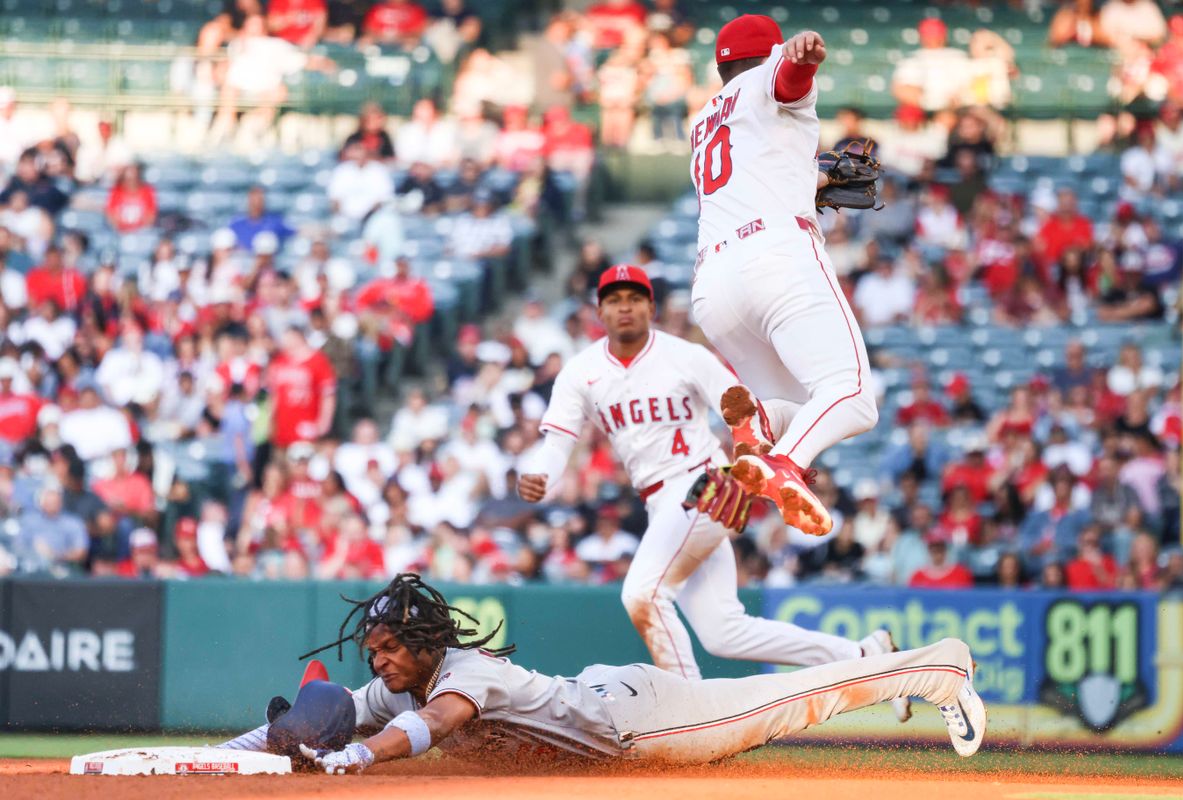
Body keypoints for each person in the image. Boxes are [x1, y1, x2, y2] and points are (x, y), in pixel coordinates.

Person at [517, 264, 910, 722]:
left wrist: (788, 455)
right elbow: (558, 441)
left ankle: (690, 717)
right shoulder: (581, 371)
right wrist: (540, 473)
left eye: (634, 298)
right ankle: (861, 654)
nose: (625, 306)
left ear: (652, 307)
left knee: (642, 594)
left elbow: (748, 410)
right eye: (615, 299)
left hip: (706, 486)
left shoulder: (685, 356)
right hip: (660, 504)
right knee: (724, 631)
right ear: (599, 310)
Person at [218, 574, 985, 771]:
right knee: (766, 712)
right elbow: (315, 722)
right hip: (601, 700)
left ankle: (939, 666)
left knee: (783, 705)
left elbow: (435, 725)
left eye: (389, 648)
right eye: (375, 650)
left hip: (639, 723)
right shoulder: (393, 688)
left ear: (422, 642)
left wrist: (356, 756)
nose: (379, 662)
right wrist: (227, 755)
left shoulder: (461, 671)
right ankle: (873, 656)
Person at [687, 17, 878, 535]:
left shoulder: (703, 120)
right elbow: (785, 81)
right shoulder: (770, 76)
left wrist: (814, 179)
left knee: (804, 405)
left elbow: (761, 167)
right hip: (775, 257)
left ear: (721, 66)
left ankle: (762, 425)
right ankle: (784, 465)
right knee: (853, 396)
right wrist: (798, 58)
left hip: (714, 286)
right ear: (766, 52)